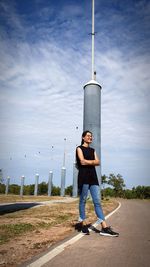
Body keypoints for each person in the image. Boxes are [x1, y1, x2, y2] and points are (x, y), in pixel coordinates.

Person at [76, 130, 119, 237]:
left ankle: (104, 228)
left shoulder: (93, 150)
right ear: (83, 137)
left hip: (93, 178)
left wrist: (88, 162)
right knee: (83, 201)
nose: (90, 137)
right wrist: (92, 162)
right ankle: (83, 225)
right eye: (88, 136)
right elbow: (82, 161)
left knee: (97, 202)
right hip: (84, 178)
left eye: (91, 136)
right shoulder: (79, 148)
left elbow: (98, 162)